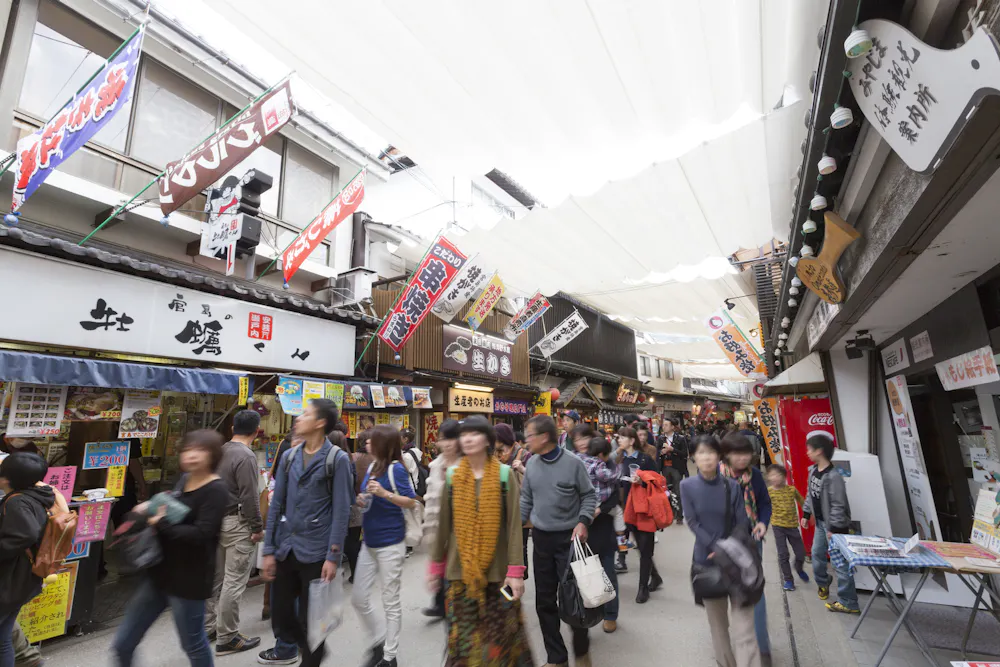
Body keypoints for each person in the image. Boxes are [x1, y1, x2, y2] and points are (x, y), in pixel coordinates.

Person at [111, 430, 228, 667]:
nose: (192, 456)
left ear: (213, 455)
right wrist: (148, 508)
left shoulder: (216, 490)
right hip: (158, 574)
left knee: (193, 645)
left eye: (200, 451)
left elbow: (202, 534)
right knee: (123, 643)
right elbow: (173, 510)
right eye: (188, 449)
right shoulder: (183, 481)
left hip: (189, 580)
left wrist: (160, 523)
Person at [428, 416, 533, 666]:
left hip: (498, 574)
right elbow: (443, 526)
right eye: (464, 434)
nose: (468, 438)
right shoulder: (453, 476)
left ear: (488, 440)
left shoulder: (504, 475)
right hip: (460, 572)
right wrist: (435, 567)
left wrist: (516, 571)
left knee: (500, 640)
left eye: (475, 434)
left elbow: (513, 528)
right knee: (462, 641)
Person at [259, 399, 353, 667]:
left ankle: (312, 657)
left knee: (311, 621)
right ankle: (312, 649)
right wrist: (268, 550)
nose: (298, 418)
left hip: (316, 551)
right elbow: (277, 504)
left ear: (320, 422)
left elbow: (341, 511)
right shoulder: (289, 457)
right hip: (286, 546)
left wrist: (333, 556)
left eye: (305, 414)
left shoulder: (337, 459)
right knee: (282, 617)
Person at [521, 415, 596, 667]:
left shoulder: (573, 463)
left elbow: (588, 495)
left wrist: (583, 521)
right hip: (541, 540)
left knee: (575, 598)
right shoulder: (531, 463)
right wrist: (513, 530)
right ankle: (557, 657)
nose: (526, 440)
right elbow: (526, 501)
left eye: (530, 435)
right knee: (544, 601)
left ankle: (581, 648)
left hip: (570, 540)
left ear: (544, 437)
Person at [681, 435, 759, 667]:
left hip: (736, 561)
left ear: (718, 456)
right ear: (694, 457)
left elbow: (742, 522)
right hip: (706, 562)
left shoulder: (731, 485)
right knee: (718, 627)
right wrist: (715, 546)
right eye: (701, 453)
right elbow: (693, 522)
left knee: (745, 627)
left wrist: (727, 549)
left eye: (711, 452)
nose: (706, 458)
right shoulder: (687, 486)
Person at [352, 425, 418, 667]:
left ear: (383, 445)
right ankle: (379, 638)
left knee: (390, 600)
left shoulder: (396, 469)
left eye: (371, 441)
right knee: (358, 598)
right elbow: (365, 497)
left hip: (391, 543)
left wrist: (384, 494)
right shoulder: (371, 466)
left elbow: (411, 501)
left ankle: (389, 656)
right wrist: (362, 499)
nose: (366, 444)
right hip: (368, 541)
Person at [203, 410, 264, 655]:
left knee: (215, 579)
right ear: (257, 431)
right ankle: (227, 637)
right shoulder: (246, 457)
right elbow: (249, 497)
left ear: (232, 428)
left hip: (215, 521)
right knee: (234, 581)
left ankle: (209, 627)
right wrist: (257, 528)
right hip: (237, 524)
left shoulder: (219, 452)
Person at [721, 433, 773, 662]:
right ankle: (728, 642)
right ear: (726, 455)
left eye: (746, 454)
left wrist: (762, 522)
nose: (742, 459)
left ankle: (762, 646)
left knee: (755, 589)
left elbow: (764, 503)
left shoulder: (756, 477)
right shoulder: (715, 477)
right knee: (725, 590)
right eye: (736, 454)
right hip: (723, 542)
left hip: (751, 539)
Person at [0, 452, 54, 667]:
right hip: (22, 580)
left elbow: (25, 534)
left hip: (10, 581)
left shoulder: (17, 502)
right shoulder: (37, 495)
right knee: (3, 637)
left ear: (5, 478)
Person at [800, 433, 859, 614]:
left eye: (809, 449)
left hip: (835, 527)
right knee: (817, 554)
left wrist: (834, 529)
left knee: (839, 564)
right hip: (820, 523)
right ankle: (823, 583)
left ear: (819, 451)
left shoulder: (834, 477)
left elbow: (838, 505)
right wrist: (806, 512)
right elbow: (811, 494)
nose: (807, 452)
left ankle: (849, 602)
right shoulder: (813, 471)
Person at [579, 436, 621, 632]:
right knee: (585, 573)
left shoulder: (608, 466)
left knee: (607, 571)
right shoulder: (579, 463)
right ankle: (589, 611)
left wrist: (600, 510)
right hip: (583, 525)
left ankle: (611, 614)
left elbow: (614, 496)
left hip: (603, 525)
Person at [420, 419, 461, 619]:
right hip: (438, 529)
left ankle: (450, 607)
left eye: (451, 439)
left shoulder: (467, 465)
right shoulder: (435, 466)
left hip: (461, 534)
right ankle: (441, 605)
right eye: (443, 439)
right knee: (440, 568)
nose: (446, 444)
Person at [614, 426, 657, 574]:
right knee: (622, 534)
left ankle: (653, 576)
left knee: (642, 544)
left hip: (641, 506)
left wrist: (642, 482)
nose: (619, 440)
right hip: (625, 504)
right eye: (618, 437)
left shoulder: (645, 459)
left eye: (622, 437)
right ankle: (621, 558)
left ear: (632, 441)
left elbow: (656, 481)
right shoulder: (621, 458)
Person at [495, 423, 531, 581]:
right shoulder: (494, 454)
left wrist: (522, 469)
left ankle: (519, 574)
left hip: (520, 504)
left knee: (518, 542)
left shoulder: (524, 455)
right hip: (499, 503)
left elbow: (534, 480)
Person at [765, 465, 810, 591]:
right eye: (772, 475)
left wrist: (807, 516)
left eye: (778, 475)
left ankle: (799, 568)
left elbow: (803, 502)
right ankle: (788, 580)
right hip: (777, 526)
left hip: (792, 526)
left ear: (784, 477)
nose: (775, 477)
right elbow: (763, 505)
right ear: (768, 477)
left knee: (801, 553)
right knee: (783, 554)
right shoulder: (769, 491)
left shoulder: (791, 490)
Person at [347, 430, 375, 584]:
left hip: (355, 502)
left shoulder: (352, 457)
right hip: (371, 503)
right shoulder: (377, 460)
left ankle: (356, 572)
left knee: (352, 539)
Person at [658, 418, 689, 524]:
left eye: (667, 425)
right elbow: (656, 452)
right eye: (663, 425)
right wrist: (661, 452)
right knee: (667, 491)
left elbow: (685, 454)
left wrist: (672, 450)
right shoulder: (660, 438)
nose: (664, 426)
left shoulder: (680, 438)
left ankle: (679, 515)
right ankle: (670, 514)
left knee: (677, 491)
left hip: (676, 468)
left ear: (672, 427)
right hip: (665, 467)